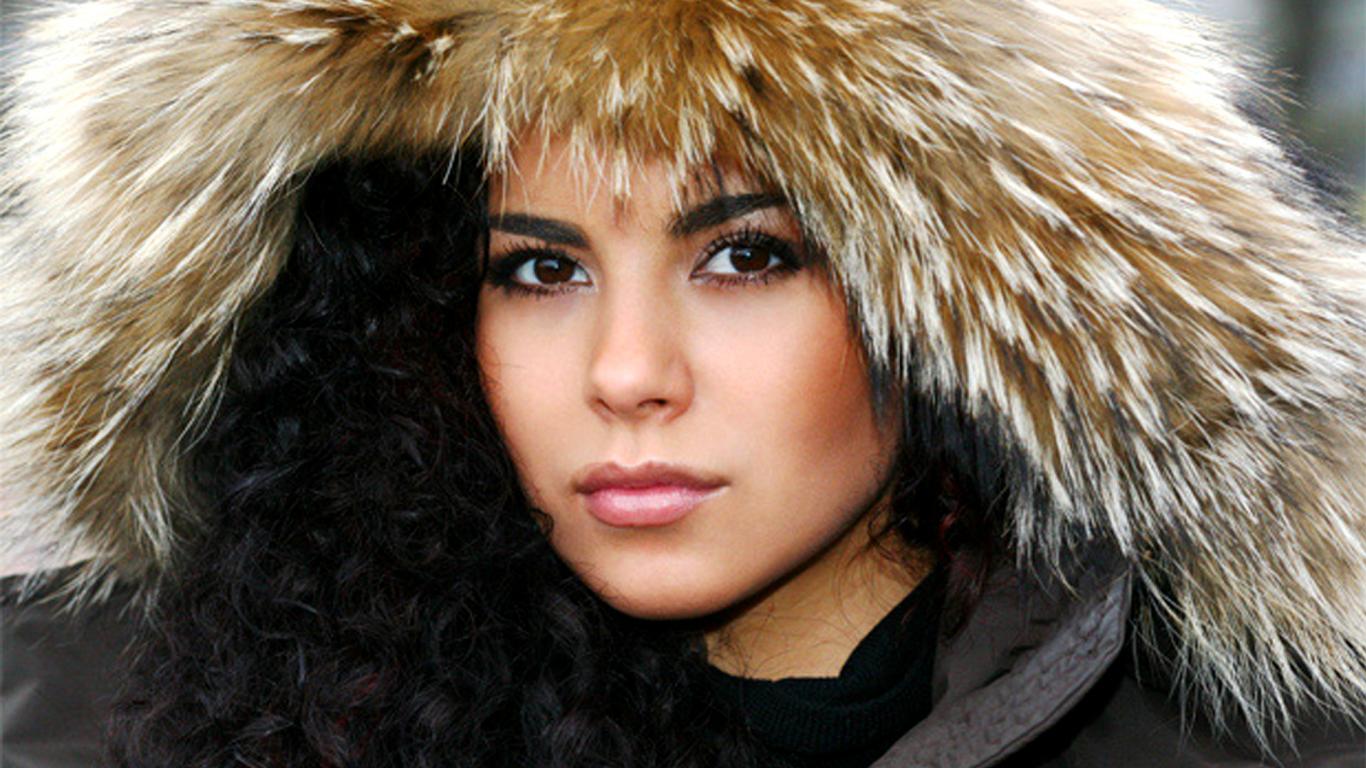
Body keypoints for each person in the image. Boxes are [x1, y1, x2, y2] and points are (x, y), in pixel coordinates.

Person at [0, 1, 1362, 766]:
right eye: (539, 270)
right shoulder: (105, 721)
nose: (628, 374)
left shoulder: (1273, 741)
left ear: (953, 299)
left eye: (746, 255)